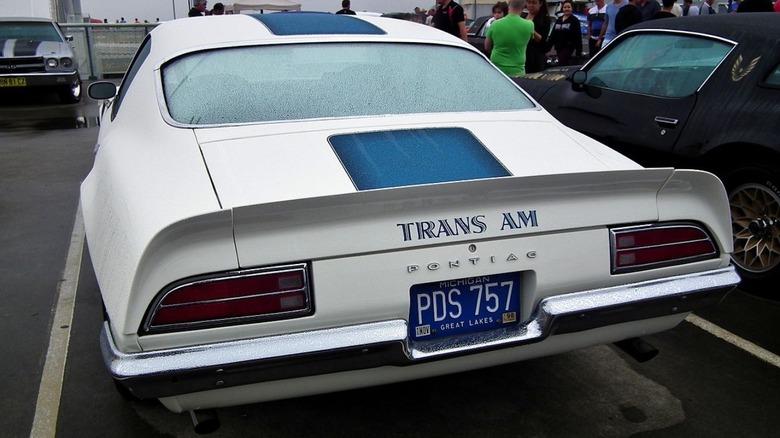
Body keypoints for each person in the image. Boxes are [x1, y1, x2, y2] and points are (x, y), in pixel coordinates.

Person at [485, 0, 535, 76]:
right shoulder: (529, 25)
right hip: (517, 70)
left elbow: (487, 47)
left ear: (509, 4)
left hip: (497, 68)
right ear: (524, 5)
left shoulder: (495, 24)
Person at [548, 0, 583, 66]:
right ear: (562, 8)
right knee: (563, 64)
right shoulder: (559, 20)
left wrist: (579, 52)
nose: (566, 9)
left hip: (568, 47)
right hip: (558, 47)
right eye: (565, 7)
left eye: (568, 7)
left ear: (572, 8)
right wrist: (548, 47)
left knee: (561, 62)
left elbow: (578, 36)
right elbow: (553, 34)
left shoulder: (574, 20)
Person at [523, 0, 551, 73]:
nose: (531, 5)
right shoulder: (523, 16)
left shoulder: (545, 18)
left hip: (536, 55)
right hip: (523, 54)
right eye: (529, 2)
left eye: (534, 3)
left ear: (540, 4)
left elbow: (542, 40)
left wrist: (530, 29)